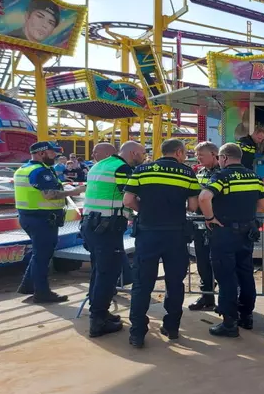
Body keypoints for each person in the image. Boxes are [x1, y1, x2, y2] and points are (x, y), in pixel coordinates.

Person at [123, 139, 201, 349]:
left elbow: (128, 200)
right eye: (184, 153)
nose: (185, 156)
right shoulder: (187, 173)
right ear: (178, 152)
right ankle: (172, 327)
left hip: (147, 234)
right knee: (175, 282)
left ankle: (137, 333)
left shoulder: (142, 169)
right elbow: (193, 206)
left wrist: (145, 211)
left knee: (142, 284)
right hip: (175, 235)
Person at [198, 143, 264, 337]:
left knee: (226, 277)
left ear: (225, 158)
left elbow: (204, 197)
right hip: (247, 232)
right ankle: (246, 316)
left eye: (219, 158)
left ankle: (229, 323)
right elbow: (262, 205)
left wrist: (210, 218)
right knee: (245, 274)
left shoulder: (222, 176)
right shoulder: (254, 177)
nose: (219, 161)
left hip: (224, 233)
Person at [82, 141, 145, 338]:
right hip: (107, 228)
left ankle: (100, 313)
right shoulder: (122, 168)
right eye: (143, 154)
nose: (144, 157)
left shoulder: (99, 165)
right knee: (108, 273)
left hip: (91, 225)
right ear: (134, 152)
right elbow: (130, 197)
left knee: (99, 271)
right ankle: (98, 320)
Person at [14, 141, 85, 302]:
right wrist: (75, 191)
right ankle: (42, 293)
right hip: (41, 219)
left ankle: (29, 286)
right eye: (53, 153)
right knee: (42, 256)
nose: (56, 156)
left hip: (30, 217)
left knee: (39, 254)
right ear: (41, 153)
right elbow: (49, 194)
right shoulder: (40, 171)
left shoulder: (24, 169)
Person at [188, 141, 220, 311]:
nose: (198, 157)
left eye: (201, 154)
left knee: (219, 263)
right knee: (202, 263)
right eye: (197, 154)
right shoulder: (200, 172)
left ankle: (226, 300)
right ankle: (206, 297)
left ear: (214, 154)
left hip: (217, 225)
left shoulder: (222, 174)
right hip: (200, 225)